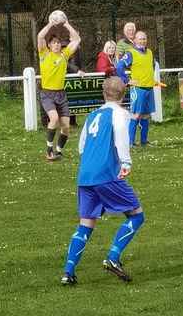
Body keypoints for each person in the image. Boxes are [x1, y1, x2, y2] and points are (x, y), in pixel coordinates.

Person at [61, 76, 145, 285]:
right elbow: (121, 138)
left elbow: (81, 146)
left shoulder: (93, 115)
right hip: (106, 174)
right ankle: (113, 257)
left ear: (103, 94)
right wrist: (126, 163)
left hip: (85, 175)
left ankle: (68, 272)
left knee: (86, 224)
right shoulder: (120, 114)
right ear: (124, 94)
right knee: (136, 215)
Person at [37, 17, 81, 161]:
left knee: (66, 127)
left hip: (61, 94)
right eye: (53, 43)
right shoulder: (44, 54)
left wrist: (66, 24)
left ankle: (59, 151)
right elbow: (40, 36)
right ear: (49, 45)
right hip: (47, 93)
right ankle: (49, 150)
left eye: (58, 43)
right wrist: (51, 23)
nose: (56, 45)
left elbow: (77, 40)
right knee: (54, 118)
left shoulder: (64, 54)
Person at [116, 31, 158, 147]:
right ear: (134, 40)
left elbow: (151, 66)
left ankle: (144, 141)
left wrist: (151, 79)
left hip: (149, 88)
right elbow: (119, 66)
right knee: (136, 115)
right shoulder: (131, 53)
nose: (142, 41)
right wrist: (127, 80)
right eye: (140, 39)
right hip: (138, 88)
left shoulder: (149, 52)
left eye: (144, 39)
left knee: (146, 115)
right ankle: (130, 142)